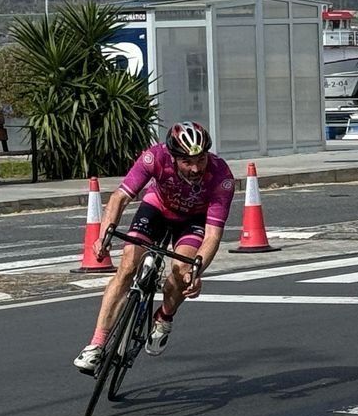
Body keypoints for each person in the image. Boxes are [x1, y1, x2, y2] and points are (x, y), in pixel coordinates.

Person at [72, 121, 236, 373]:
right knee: (127, 265)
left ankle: (164, 317)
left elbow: (213, 235)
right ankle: (96, 345)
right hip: (157, 208)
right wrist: (104, 235)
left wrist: (197, 270)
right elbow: (120, 197)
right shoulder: (155, 157)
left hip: (193, 221)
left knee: (182, 270)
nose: (195, 168)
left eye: (200, 160)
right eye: (187, 161)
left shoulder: (220, 176)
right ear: (172, 156)